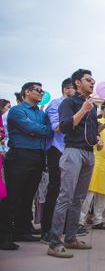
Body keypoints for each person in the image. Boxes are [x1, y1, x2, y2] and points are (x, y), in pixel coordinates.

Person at [47, 69, 103, 258]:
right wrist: (82, 110)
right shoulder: (69, 102)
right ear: (78, 83)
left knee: (79, 198)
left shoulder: (93, 107)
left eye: (93, 80)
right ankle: (54, 243)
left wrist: (98, 138)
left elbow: (92, 129)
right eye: (89, 80)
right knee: (65, 197)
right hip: (72, 152)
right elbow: (64, 127)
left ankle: (71, 238)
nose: (93, 83)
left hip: (89, 153)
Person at [0, 83, 53, 250]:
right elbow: (29, 127)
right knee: (13, 197)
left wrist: (36, 130)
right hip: (19, 156)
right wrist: (36, 130)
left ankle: (22, 230)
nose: (41, 93)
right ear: (27, 92)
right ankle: (5, 236)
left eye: (42, 91)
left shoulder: (41, 113)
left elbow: (49, 130)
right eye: (38, 90)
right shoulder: (17, 110)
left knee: (28, 196)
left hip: (37, 156)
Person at [40, 78, 75, 244]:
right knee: (55, 190)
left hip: (72, 151)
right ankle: (47, 230)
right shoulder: (56, 104)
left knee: (69, 191)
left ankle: (65, 229)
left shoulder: (78, 105)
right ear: (67, 89)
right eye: (75, 88)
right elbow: (57, 127)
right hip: (57, 150)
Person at [79, 101, 105, 231]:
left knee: (103, 194)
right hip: (95, 161)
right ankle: (80, 221)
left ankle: (98, 220)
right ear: (102, 110)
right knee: (89, 192)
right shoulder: (96, 122)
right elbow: (94, 132)